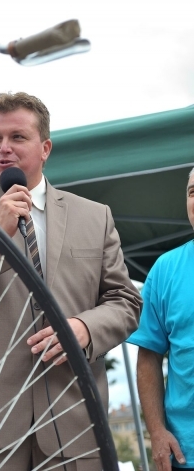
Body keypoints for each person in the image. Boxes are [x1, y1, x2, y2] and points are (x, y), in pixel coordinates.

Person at [0, 92, 141, 470]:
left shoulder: (95, 216)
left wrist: (84, 329)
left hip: (74, 419)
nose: (4, 148)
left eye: (17, 137)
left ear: (45, 147)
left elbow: (125, 301)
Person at [127, 168, 194, 471]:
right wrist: (156, 431)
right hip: (185, 452)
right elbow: (149, 356)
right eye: (192, 193)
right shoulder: (165, 269)